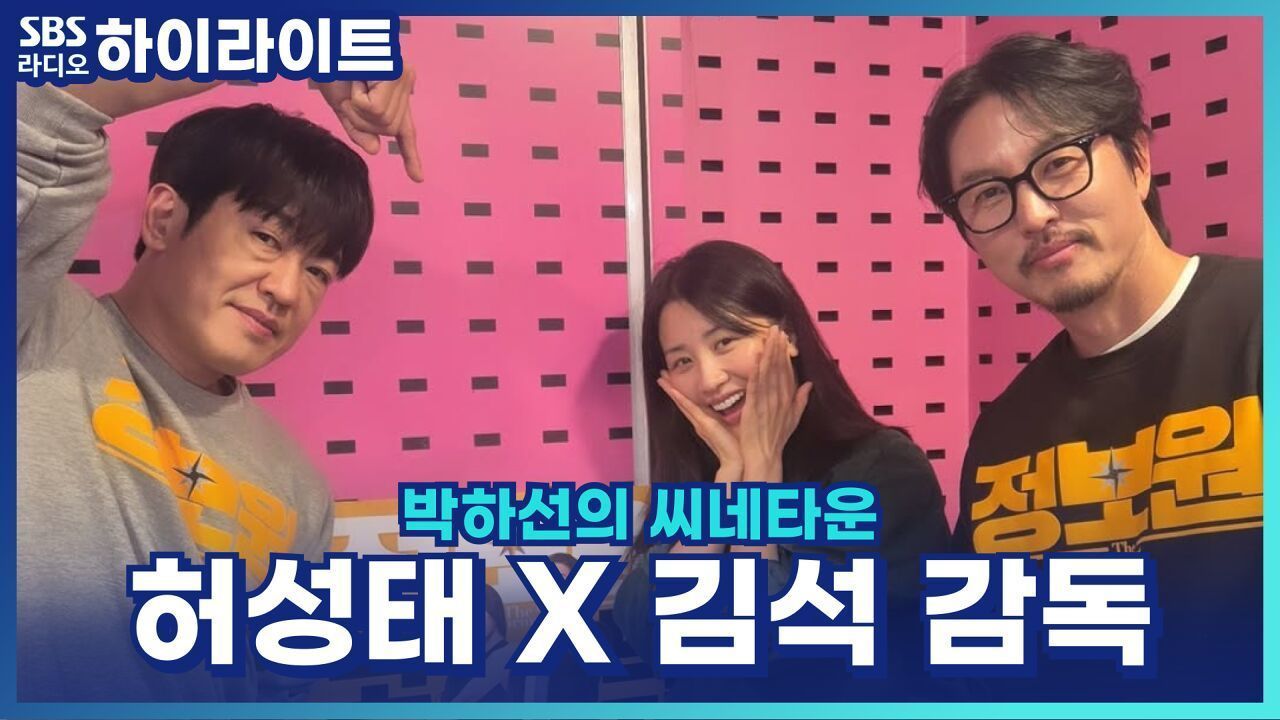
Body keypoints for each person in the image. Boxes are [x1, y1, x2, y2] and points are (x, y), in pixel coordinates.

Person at [16, 75, 420, 701]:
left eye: (318, 271)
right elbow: (41, 110)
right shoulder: (32, 325)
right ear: (164, 218)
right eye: (267, 238)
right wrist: (280, 37)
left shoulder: (298, 490)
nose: (286, 289)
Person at [918, 34, 1261, 700]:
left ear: (1137, 161)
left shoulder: (1259, 327)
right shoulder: (1003, 439)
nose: (1033, 214)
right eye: (988, 195)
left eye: (1058, 163)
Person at [613, 240, 950, 700]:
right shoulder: (703, 480)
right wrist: (732, 477)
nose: (710, 379)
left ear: (786, 335)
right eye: (683, 361)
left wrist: (761, 477)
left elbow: (770, 650)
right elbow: (647, 628)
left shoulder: (882, 470)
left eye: (725, 341)